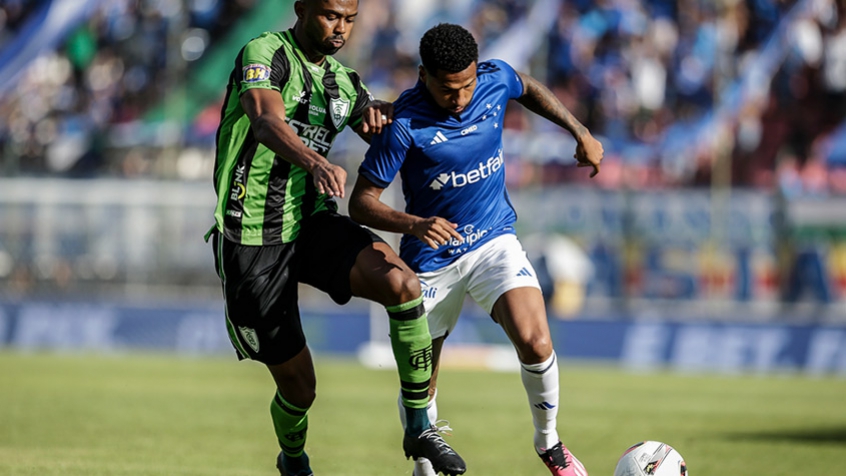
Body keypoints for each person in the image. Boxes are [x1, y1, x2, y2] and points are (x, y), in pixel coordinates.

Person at [205, 3, 466, 475]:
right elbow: (266, 120)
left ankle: (418, 427)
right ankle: (294, 461)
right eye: (329, 15)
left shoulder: (344, 84)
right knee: (300, 390)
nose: (340, 28)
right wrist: (316, 162)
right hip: (251, 238)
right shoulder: (264, 53)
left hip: (312, 224)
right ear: (301, 8)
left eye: (349, 17)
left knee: (404, 286)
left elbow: (385, 127)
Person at [349, 23, 603, 476]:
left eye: (468, 84)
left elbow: (528, 88)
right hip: (430, 260)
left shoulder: (494, 79)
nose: (462, 97)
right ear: (423, 75)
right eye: (450, 89)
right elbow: (361, 203)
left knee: (536, 341)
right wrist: (416, 223)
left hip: (493, 241)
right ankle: (425, 466)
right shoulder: (403, 124)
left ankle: (550, 444)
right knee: (422, 382)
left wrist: (579, 131)